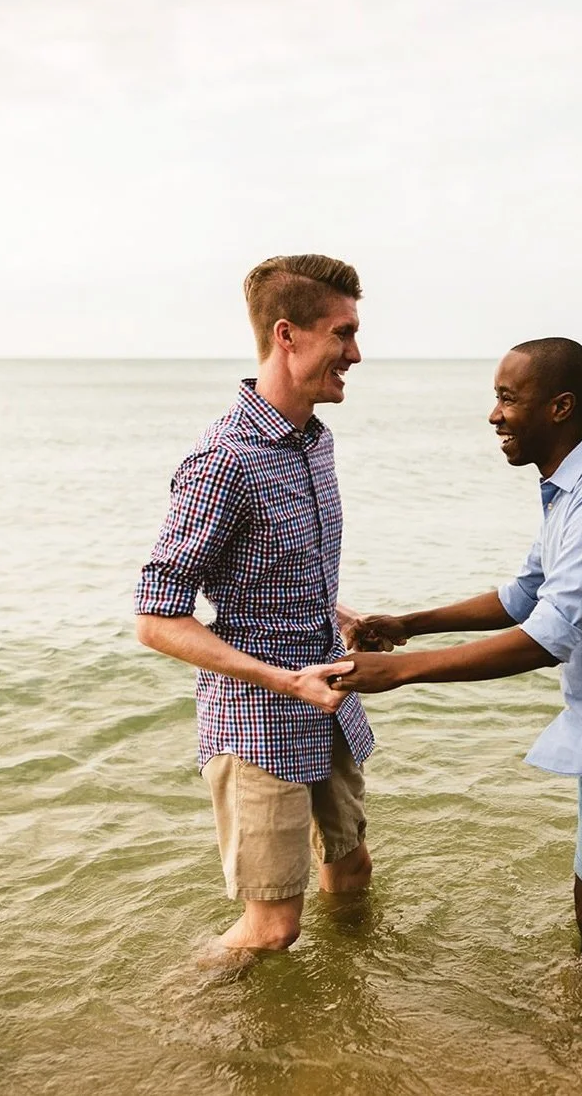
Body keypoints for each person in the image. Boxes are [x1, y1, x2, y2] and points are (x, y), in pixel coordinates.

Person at [334, 337, 582, 962]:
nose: (494, 415)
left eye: (508, 399)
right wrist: (407, 623)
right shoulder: (571, 491)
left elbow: (547, 637)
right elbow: (525, 594)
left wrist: (399, 672)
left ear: (561, 407)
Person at [134, 254, 376, 956]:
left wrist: (341, 615)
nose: (355, 354)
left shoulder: (312, 443)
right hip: (260, 722)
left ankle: (349, 1019)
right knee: (273, 929)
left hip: (326, 701)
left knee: (351, 871)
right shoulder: (225, 459)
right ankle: (176, 1023)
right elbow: (156, 617)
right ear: (287, 335)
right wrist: (283, 679)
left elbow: (273, 576)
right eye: (343, 333)